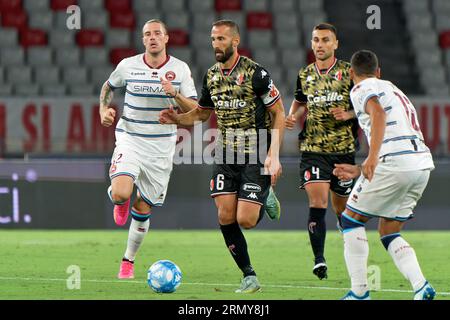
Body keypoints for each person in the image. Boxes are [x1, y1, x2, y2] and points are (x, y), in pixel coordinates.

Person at [159, 20, 285, 293]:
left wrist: (274, 156)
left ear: (235, 41)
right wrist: (176, 119)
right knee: (226, 214)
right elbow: (202, 114)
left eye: (221, 39)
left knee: (246, 220)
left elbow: (278, 112)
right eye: (213, 39)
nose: (216, 44)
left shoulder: (256, 73)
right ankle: (249, 275)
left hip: (256, 152)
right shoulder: (212, 76)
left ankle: (265, 194)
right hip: (226, 153)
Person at [99, 19, 198, 279]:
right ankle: (120, 198)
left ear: (166, 38)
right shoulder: (128, 65)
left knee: (144, 207)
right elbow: (108, 87)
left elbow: (196, 111)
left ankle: (128, 261)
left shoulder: (180, 69)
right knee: (122, 193)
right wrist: (103, 109)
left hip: (161, 146)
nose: (152, 37)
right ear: (143, 40)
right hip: (130, 137)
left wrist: (175, 95)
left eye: (157, 33)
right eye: (147, 34)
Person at [333, 49, 435, 300]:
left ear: (350, 73)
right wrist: (361, 169)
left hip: (394, 162)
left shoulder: (359, 89)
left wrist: (371, 158)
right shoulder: (392, 88)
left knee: (350, 221)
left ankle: (359, 293)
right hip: (421, 164)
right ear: (378, 72)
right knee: (389, 230)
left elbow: (378, 114)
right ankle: (421, 287)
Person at [285, 23, 359, 280]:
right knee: (318, 202)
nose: (319, 44)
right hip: (313, 149)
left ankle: (343, 224)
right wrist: (292, 115)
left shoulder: (349, 72)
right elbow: (300, 99)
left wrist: (348, 113)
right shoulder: (305, 74)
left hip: (343, 151)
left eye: (325, 40)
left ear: (335, 44)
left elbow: (367, 104)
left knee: (342, 209)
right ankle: (319, 260)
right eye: (316, 39)